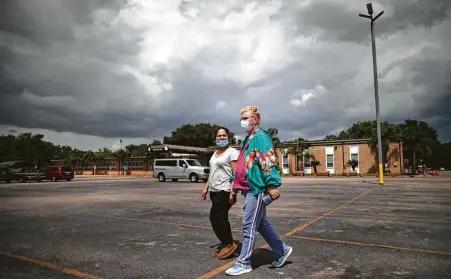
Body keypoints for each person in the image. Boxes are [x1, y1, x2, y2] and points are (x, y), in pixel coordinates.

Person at [225, 106, 292, 276]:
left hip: (258, 189)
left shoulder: (261, 137)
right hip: (249, 188)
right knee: (261, 224)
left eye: (247, 118)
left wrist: (271, 184)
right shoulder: (247, 139)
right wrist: (234, 185)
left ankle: (244, 262)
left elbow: (267, 160)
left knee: (248, 226)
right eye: (242, 118)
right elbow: (242, 165)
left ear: (256, 120)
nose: (243, 121)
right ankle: (281, 250)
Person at [201, 127, 240, 259]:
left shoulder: (232, 152)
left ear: (228, 138)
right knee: (220, 217)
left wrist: (232, 191)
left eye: (224, 136)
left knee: (216, 217)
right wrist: (206, 188)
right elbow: (212, 172)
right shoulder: (215, 153)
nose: (222, 138)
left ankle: (228, 244)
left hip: (225, 190)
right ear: (215, 138)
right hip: (214, 190)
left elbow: (236, 173)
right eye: (219, 136)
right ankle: (226, 244)